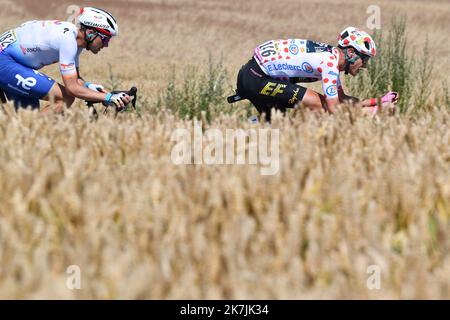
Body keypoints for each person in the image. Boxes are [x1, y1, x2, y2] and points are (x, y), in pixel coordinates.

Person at [235, 26, 399, 121]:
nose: (364, 65)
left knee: (276, 127)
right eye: (364, 59)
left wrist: (375, 101)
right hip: (257, 78)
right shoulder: (329, 63)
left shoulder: (331, 58)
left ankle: (242, 129)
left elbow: (342, 100)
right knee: (320, 107)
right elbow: (334, 109)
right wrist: (373, 112)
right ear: (351, 52)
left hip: (253, 75)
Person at [0, 7, 132, 113]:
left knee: (27, 117)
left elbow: (76, 79)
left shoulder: (74, 38)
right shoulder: (68, 41)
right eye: (105, 39)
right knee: (65, 98)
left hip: (12, 61)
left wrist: (91, 87)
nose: (106, 44)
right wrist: (108, 98)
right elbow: (72, 88)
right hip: (5, 61)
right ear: (91, 33)